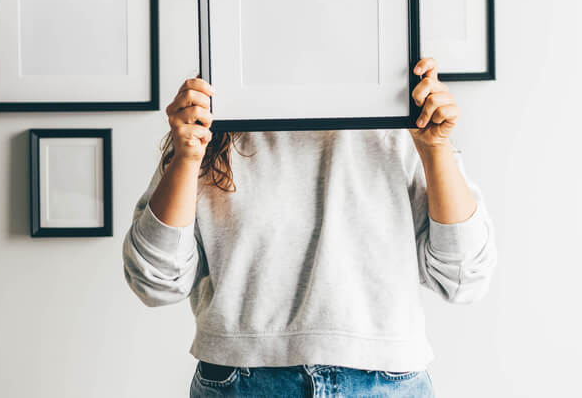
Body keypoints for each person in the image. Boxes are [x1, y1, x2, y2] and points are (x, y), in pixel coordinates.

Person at [121, 58, 497, 397]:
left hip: (385, 381)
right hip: (245, 380)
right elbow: (155, 280)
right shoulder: (210, 127)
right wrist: (187, 157)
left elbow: (464, 275)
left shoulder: (399, 117)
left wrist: (435, 148)